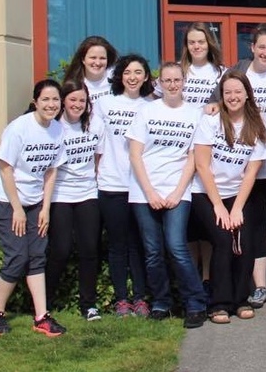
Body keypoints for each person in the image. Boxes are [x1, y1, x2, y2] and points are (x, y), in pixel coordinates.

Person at [209, 26, 266, 311]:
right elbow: (217, 101)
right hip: (245, 170)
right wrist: (211, 106)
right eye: (261, 47)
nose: (265, 52)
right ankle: (259, 286)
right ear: (252, 47)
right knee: (254, 228)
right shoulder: (237, 72)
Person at [127, 62, 209, 328]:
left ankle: (195, 303)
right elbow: (135, 155)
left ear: (184, 81)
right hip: (144, 192)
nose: (172, 84)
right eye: (167, 80)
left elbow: (193, 157)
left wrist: (177, 191)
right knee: (152, 251)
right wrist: (150, 192)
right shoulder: (146, 111)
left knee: (176, 247)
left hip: (178, 191)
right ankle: (162, 302)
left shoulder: (195, 114)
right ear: (159, 83)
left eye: (177, 80)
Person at [0, 79, 68, 337]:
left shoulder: (57, 130)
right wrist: (17, 209)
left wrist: (45, 208)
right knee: (17, 256)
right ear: (35, 101)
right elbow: (6, 168)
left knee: (37, 256)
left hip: (35, 202)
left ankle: (41, 317)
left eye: (55, 99)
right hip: (7, 200)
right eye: (45, 99)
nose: (51, 104)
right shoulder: (19, 128)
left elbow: (51, 172)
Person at [192, 70, 266, 324]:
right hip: (206, 193)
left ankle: (240, 299)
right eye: (228, 93)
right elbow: (202, 166)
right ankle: (219, 303)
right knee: (224, 240)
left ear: (247, 94)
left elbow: (250, 174)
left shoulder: (255, 125)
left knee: (244, 239)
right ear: (221, 96)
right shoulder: (211, 121)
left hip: (238, 194)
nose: (233, 97)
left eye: (238, 91)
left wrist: (236, 209)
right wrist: (218, 206)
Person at [166, 22, 227, 289]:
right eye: (191, 42)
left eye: (201, 42)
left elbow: (230, 101)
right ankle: (190, 280)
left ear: (209, 43)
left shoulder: (221, 73)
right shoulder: (181, 72)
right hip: (179, 150)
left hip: (209, 149)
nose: (197, 46)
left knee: (205, 223)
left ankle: (208, 277)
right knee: (189, 225)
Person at [94, 54, 153, 317]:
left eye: (138, 72)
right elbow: (96, 143)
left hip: (140, 187)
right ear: (120, 76)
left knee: (138, 244)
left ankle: (140, 298)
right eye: (128, 72)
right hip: (112, 184)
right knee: (117, 244)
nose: (132, 77)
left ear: (146, 77)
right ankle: (121, 299)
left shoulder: (152, 105)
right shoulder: (105, 104)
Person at [45, 80, 105, 321]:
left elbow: (98, 158)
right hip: (60, 194)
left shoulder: (95, 124)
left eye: (82, 100)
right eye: (72, 100)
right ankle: (44, 302)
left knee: (90, 249)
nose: (77, 104)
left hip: (87, 193)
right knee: (60, 249)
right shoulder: (53, 127)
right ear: (63, 101)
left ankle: (88, 305)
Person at [62, 36, 118, 104]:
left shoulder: (117, 77)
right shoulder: (75, 85)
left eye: (102, 58)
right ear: (83, 59)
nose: (97, 63)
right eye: (93, 58)